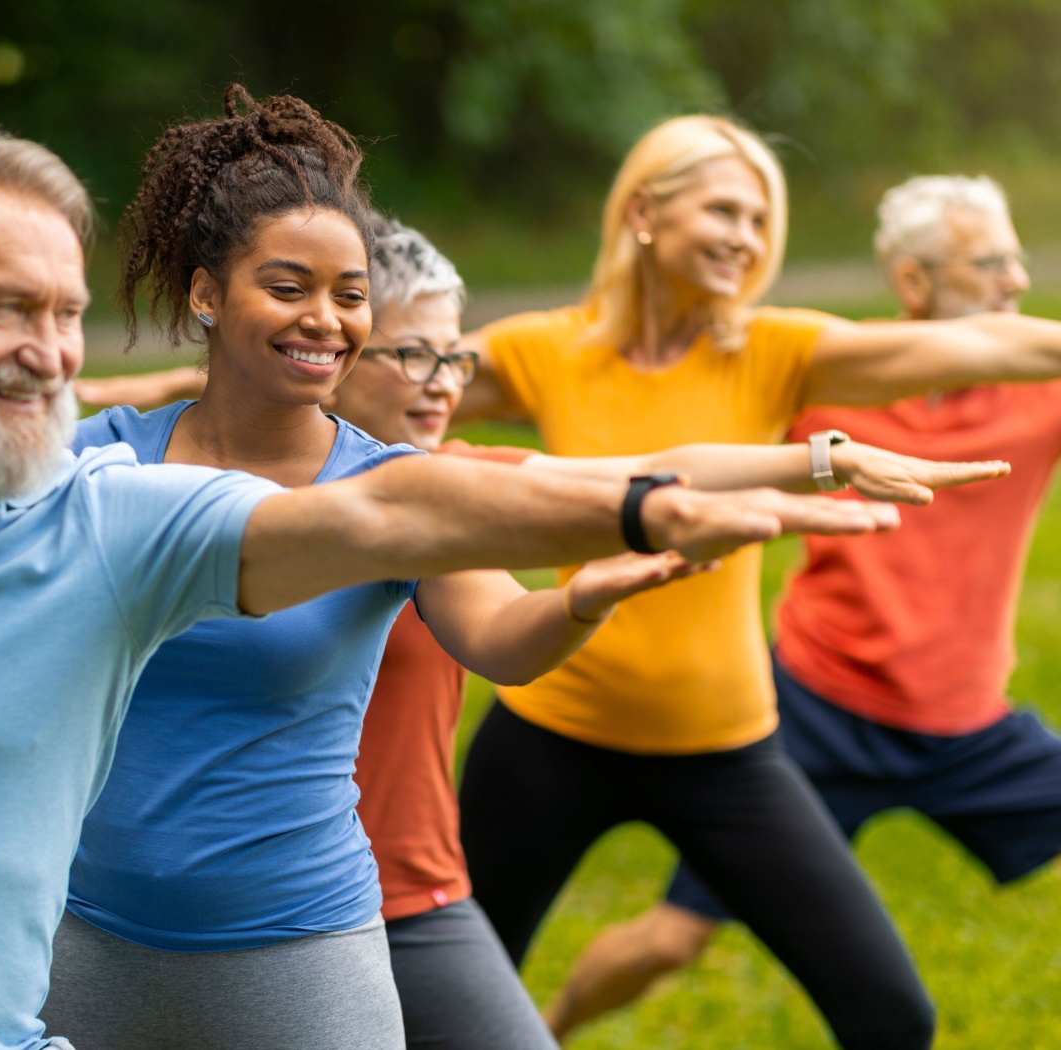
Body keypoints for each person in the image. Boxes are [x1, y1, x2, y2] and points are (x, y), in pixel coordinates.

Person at [0, 123, 904, 1050]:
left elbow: (416, 499)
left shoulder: (121, 520)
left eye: (66, 315)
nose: (45, 349)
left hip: (286, 933)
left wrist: (655, 495)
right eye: (6, 308)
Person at [66, 197, 1001, 1050]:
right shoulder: (114, 466)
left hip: (362, 903)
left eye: (453, 359)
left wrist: (808, 467)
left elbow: (618, 488)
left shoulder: (424, 488)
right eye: (413, 354)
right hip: (103, 915)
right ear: (209, 295)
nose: (440, 383)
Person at [451, 116, 1061, 1050]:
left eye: (762, 218)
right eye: (726, 209)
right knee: (439, 1008)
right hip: (549, 736)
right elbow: (379, 380)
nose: (748, 235)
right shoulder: (546, 349)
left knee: (893, 1016)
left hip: (724, 751)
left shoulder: (777, 350)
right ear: (645, 211)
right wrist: (172, 394)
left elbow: (998, 349)